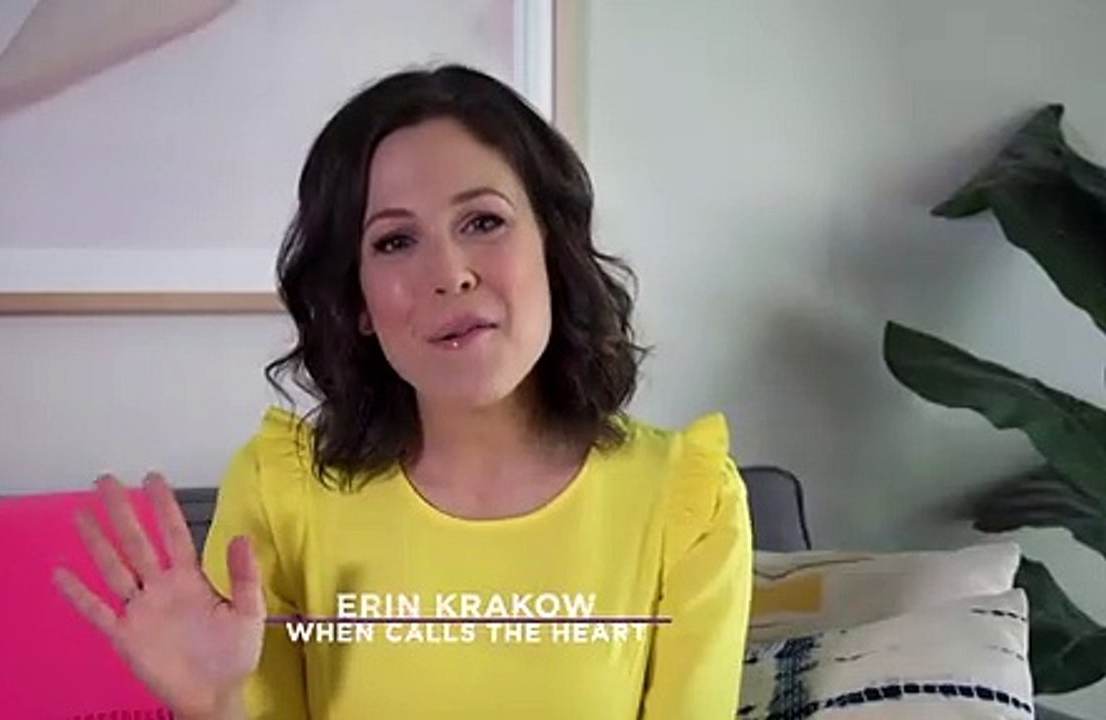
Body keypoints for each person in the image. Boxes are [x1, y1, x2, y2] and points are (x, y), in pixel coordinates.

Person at [53, 64, 753, 720]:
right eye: (394, 242)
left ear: (552, 244)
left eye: (483, 222)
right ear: (357, 300)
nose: (449, 274)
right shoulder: (278, 493)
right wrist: (215, 706)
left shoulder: (688, 502)